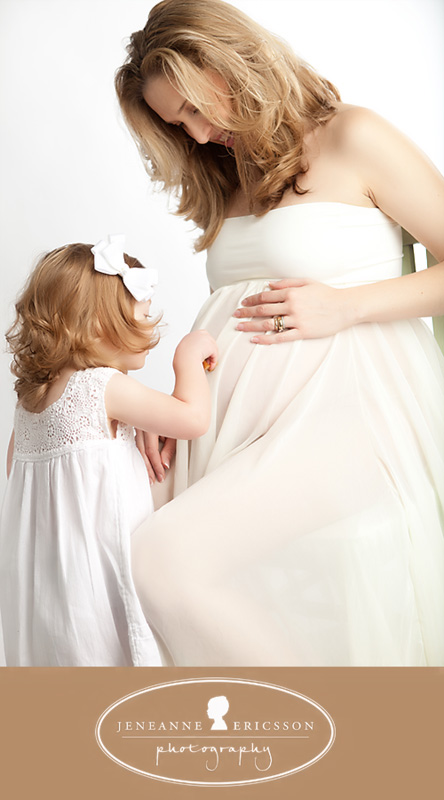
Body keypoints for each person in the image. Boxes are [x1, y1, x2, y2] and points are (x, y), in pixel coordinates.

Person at [115, 0, 444, 666]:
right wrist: (176, 400)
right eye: (178, 125)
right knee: (112, 546)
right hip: (227, 424)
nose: (198, 134)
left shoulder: (353, 135)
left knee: (165, 560)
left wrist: (347, 307)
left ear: (234, 64)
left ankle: (332, 724)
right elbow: (232, 312)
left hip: (348, 417)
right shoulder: (230, 176)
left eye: (195, 108)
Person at [0, 235, 217, 666]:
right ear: (100, 327)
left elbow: (16, 472)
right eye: (142, 318)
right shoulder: (102, 385)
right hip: (95, 581)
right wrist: (187, 358)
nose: (150, 331)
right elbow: (193, 418)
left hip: (45, 588)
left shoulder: (30, 402)